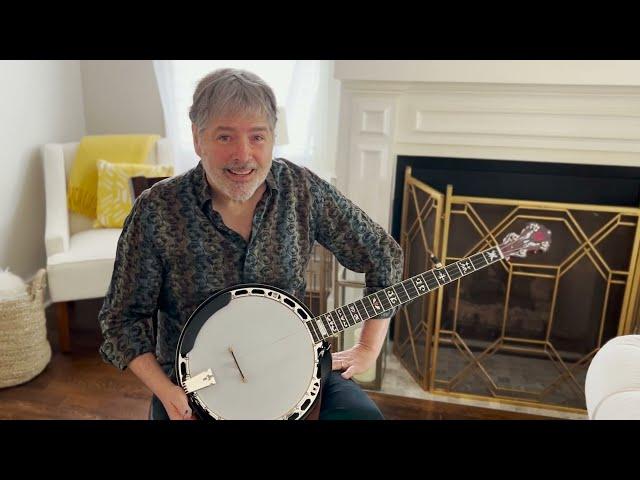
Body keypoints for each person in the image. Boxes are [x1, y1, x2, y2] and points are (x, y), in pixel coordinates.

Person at [98, 68, 403, 420]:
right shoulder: (157, 210)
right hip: (194, 390)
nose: (243, 155)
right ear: (198, 139)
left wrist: (368, 347)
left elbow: (383, 254)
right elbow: (122, 320)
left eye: (257, 137)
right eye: (225, 137)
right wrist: (165, 391)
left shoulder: (301, 190)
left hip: (293, 373)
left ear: (272, 139)